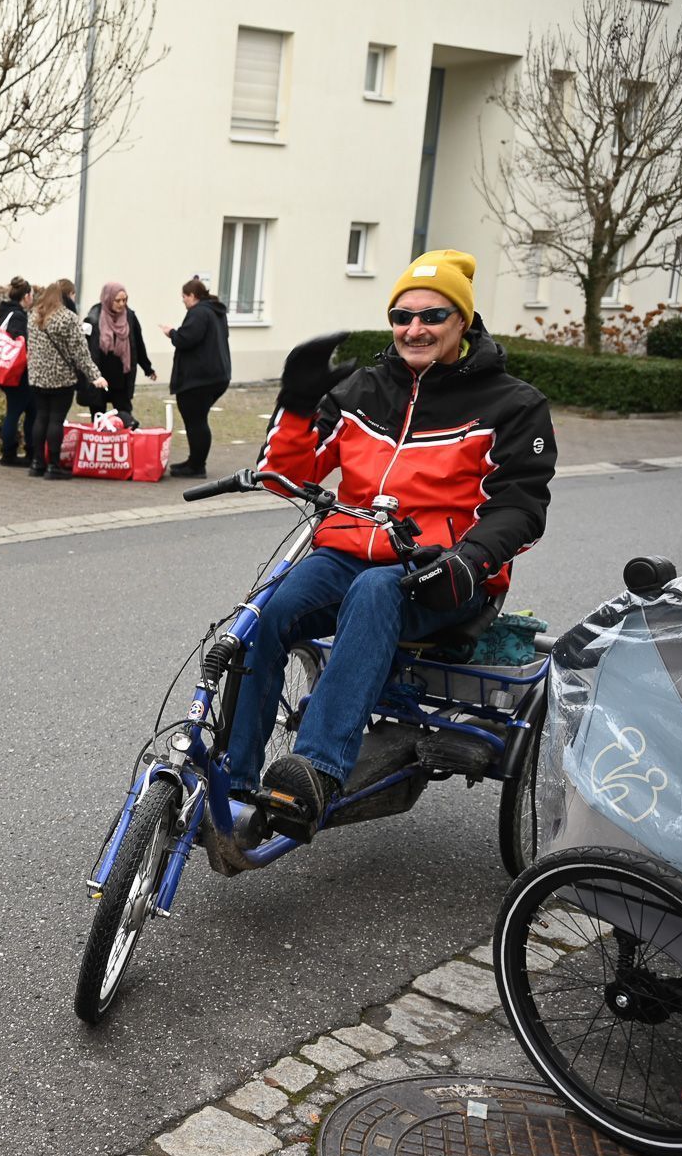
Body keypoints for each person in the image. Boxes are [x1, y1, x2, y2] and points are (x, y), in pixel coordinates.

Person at [227, 250, 557, 839]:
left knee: (379, 589)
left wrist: (468, 561)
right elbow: (284, 478)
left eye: (433, 315)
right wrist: (297, 405)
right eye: (402, 315)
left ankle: (316, 771)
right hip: (345, 555)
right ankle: (237, 784)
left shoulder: (513, 403)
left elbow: (521, 507)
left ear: (463, 322)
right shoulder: (363, 389)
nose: (415, 328)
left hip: (442, 575)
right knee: (269, 612)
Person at [24, 280, 110, 478]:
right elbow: (80, 352)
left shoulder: (34, 316)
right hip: (60, 379)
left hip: (37, 378)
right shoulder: (67, 318)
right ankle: (53, 466)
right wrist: (95, 376)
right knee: (56, 420)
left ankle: (37, 463)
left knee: (41, 418)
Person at [161, 277, 232, 478]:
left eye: (184, 296)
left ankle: (196, 466)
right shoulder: (215, 311)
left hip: (199, 379)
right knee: (198, 419)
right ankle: (194, 461)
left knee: (196, 421)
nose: (183, 300)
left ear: (193, 296)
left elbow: (187, 339)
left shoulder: (199, 312)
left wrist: (171, 333)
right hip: (217, 375)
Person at [82, 281, 156, 427]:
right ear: (108, 298)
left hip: (121, 376)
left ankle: (124, 447)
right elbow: (83, 347)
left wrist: (148, 368)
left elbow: (138, 344)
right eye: (118, 300)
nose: (122, 304)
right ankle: (100, 447)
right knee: (98, 417)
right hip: (100, 375)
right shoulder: (94, 316)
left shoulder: (130, 317)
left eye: (124, 300)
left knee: (125, 416)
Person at [0, 276, 35, 465]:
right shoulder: (18, 316)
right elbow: (20, 344)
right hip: (18, 373)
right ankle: (10, 453)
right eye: (31, 295)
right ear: (26, 296)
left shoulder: (5, 312)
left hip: (5, 371)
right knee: (16, 412)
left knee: (26, 409)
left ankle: (20, 451)